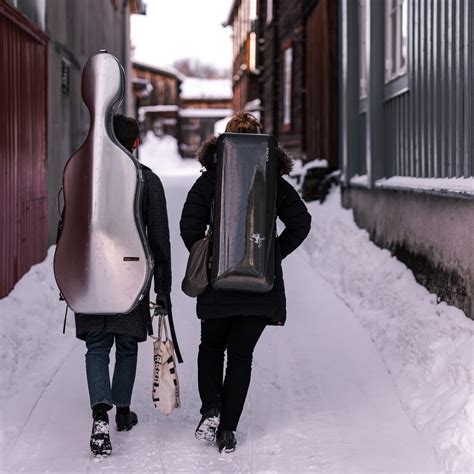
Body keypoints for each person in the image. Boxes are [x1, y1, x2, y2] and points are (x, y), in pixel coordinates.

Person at [179, 112, 311, 453]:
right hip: (259, 285)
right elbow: (301, 223)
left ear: (224, 142)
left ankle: (211, 408)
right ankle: (227, 429)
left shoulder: (210, 180)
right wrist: (271, 254)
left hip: (218, 284)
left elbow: (188, 224)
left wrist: (210, 256)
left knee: (211, 348)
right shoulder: (274, 181)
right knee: (240, 357)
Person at [73, 114, 172, 457]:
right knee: (127, 345)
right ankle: (123, 411)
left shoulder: (84, 177)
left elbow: (66, 226)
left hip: (90, 274)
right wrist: (164, 288)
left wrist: (69, 276)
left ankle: (100, 417)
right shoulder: (146, 179)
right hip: (132, 275)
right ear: (134, 144)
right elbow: (159, 238)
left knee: (96, 346)